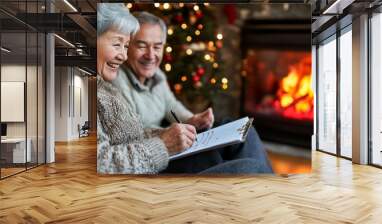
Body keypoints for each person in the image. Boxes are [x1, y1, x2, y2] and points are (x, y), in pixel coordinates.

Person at [97, 4, 272, 174]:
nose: (151, 55)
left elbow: (167, 108)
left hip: (157, 150)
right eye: (141, 45)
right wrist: (165, 142)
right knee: (250, 168)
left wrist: (190, 120)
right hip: (150, 165)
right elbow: (104, 160)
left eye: (157, 47)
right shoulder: (112, 81)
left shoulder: (150, 77)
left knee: (239, 130)